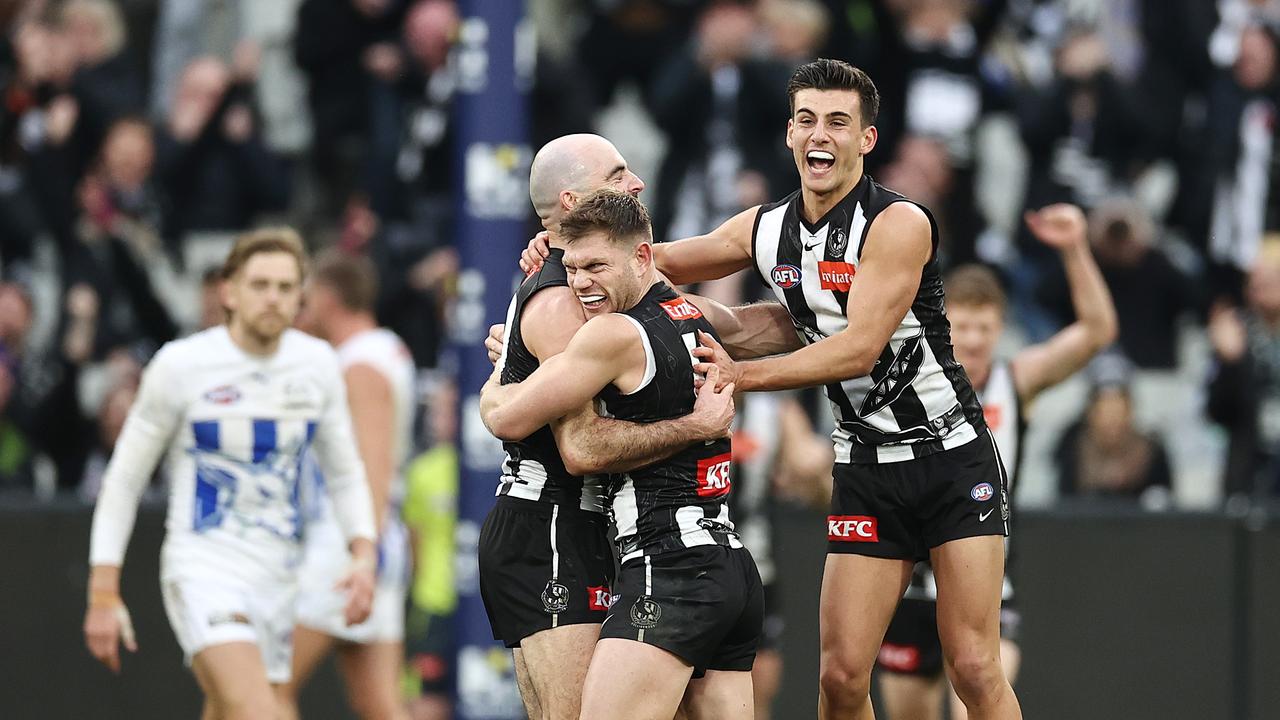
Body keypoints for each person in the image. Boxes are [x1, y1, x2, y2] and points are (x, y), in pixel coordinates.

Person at [523, 58, 1020, 719]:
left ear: (866, 141)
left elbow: (858, 348)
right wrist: (563, 247)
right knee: (842, 679)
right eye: (808, 120)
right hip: (867, 461)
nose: (821, 135)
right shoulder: (766, 228)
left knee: (974, 667)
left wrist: (740, 375)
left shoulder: (900, 223)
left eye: (839, 122)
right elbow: (652, 256)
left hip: (950, 457)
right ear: (789, 133)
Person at [478, 133, 796, 720]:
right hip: (556, 524)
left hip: (642, 541)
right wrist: (499, 380)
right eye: (619, 173)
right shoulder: (564, 304)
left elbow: (745, 329)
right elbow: (573, 446)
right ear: (572, 204)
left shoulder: (632, 301)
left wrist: (848, 300)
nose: (637, 183)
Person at [82, 228, 378, 719]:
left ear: (301, 296)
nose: (272, 298)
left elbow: (344, 472)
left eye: (286, 288)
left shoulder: (317, 364)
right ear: (228, 291)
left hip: (281, 573)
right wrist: (102, 590)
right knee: (262, 712)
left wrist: (363, 555)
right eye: (259, 284)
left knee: (228, 709)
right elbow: (124, 480)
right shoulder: (181, 365)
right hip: (203, 567)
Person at [876, 204, 1118, 720]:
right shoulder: (909, 379)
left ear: (1001, 327)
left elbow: (1097, 330)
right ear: (942, 325)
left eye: (987, 327)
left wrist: (1074, 248)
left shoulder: (1015, 382)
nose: (977, 339)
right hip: (913, 582)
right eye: (964, 325)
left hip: (987, 581)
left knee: (981, 696)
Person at [283, 250, 416, 720]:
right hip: (375, 538)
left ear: (326, 295)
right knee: (378, 704)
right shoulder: (384, 348)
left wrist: (364, 553)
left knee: (265, 687)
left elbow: (370, 464)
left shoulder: (360, 364)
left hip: (347, 543)